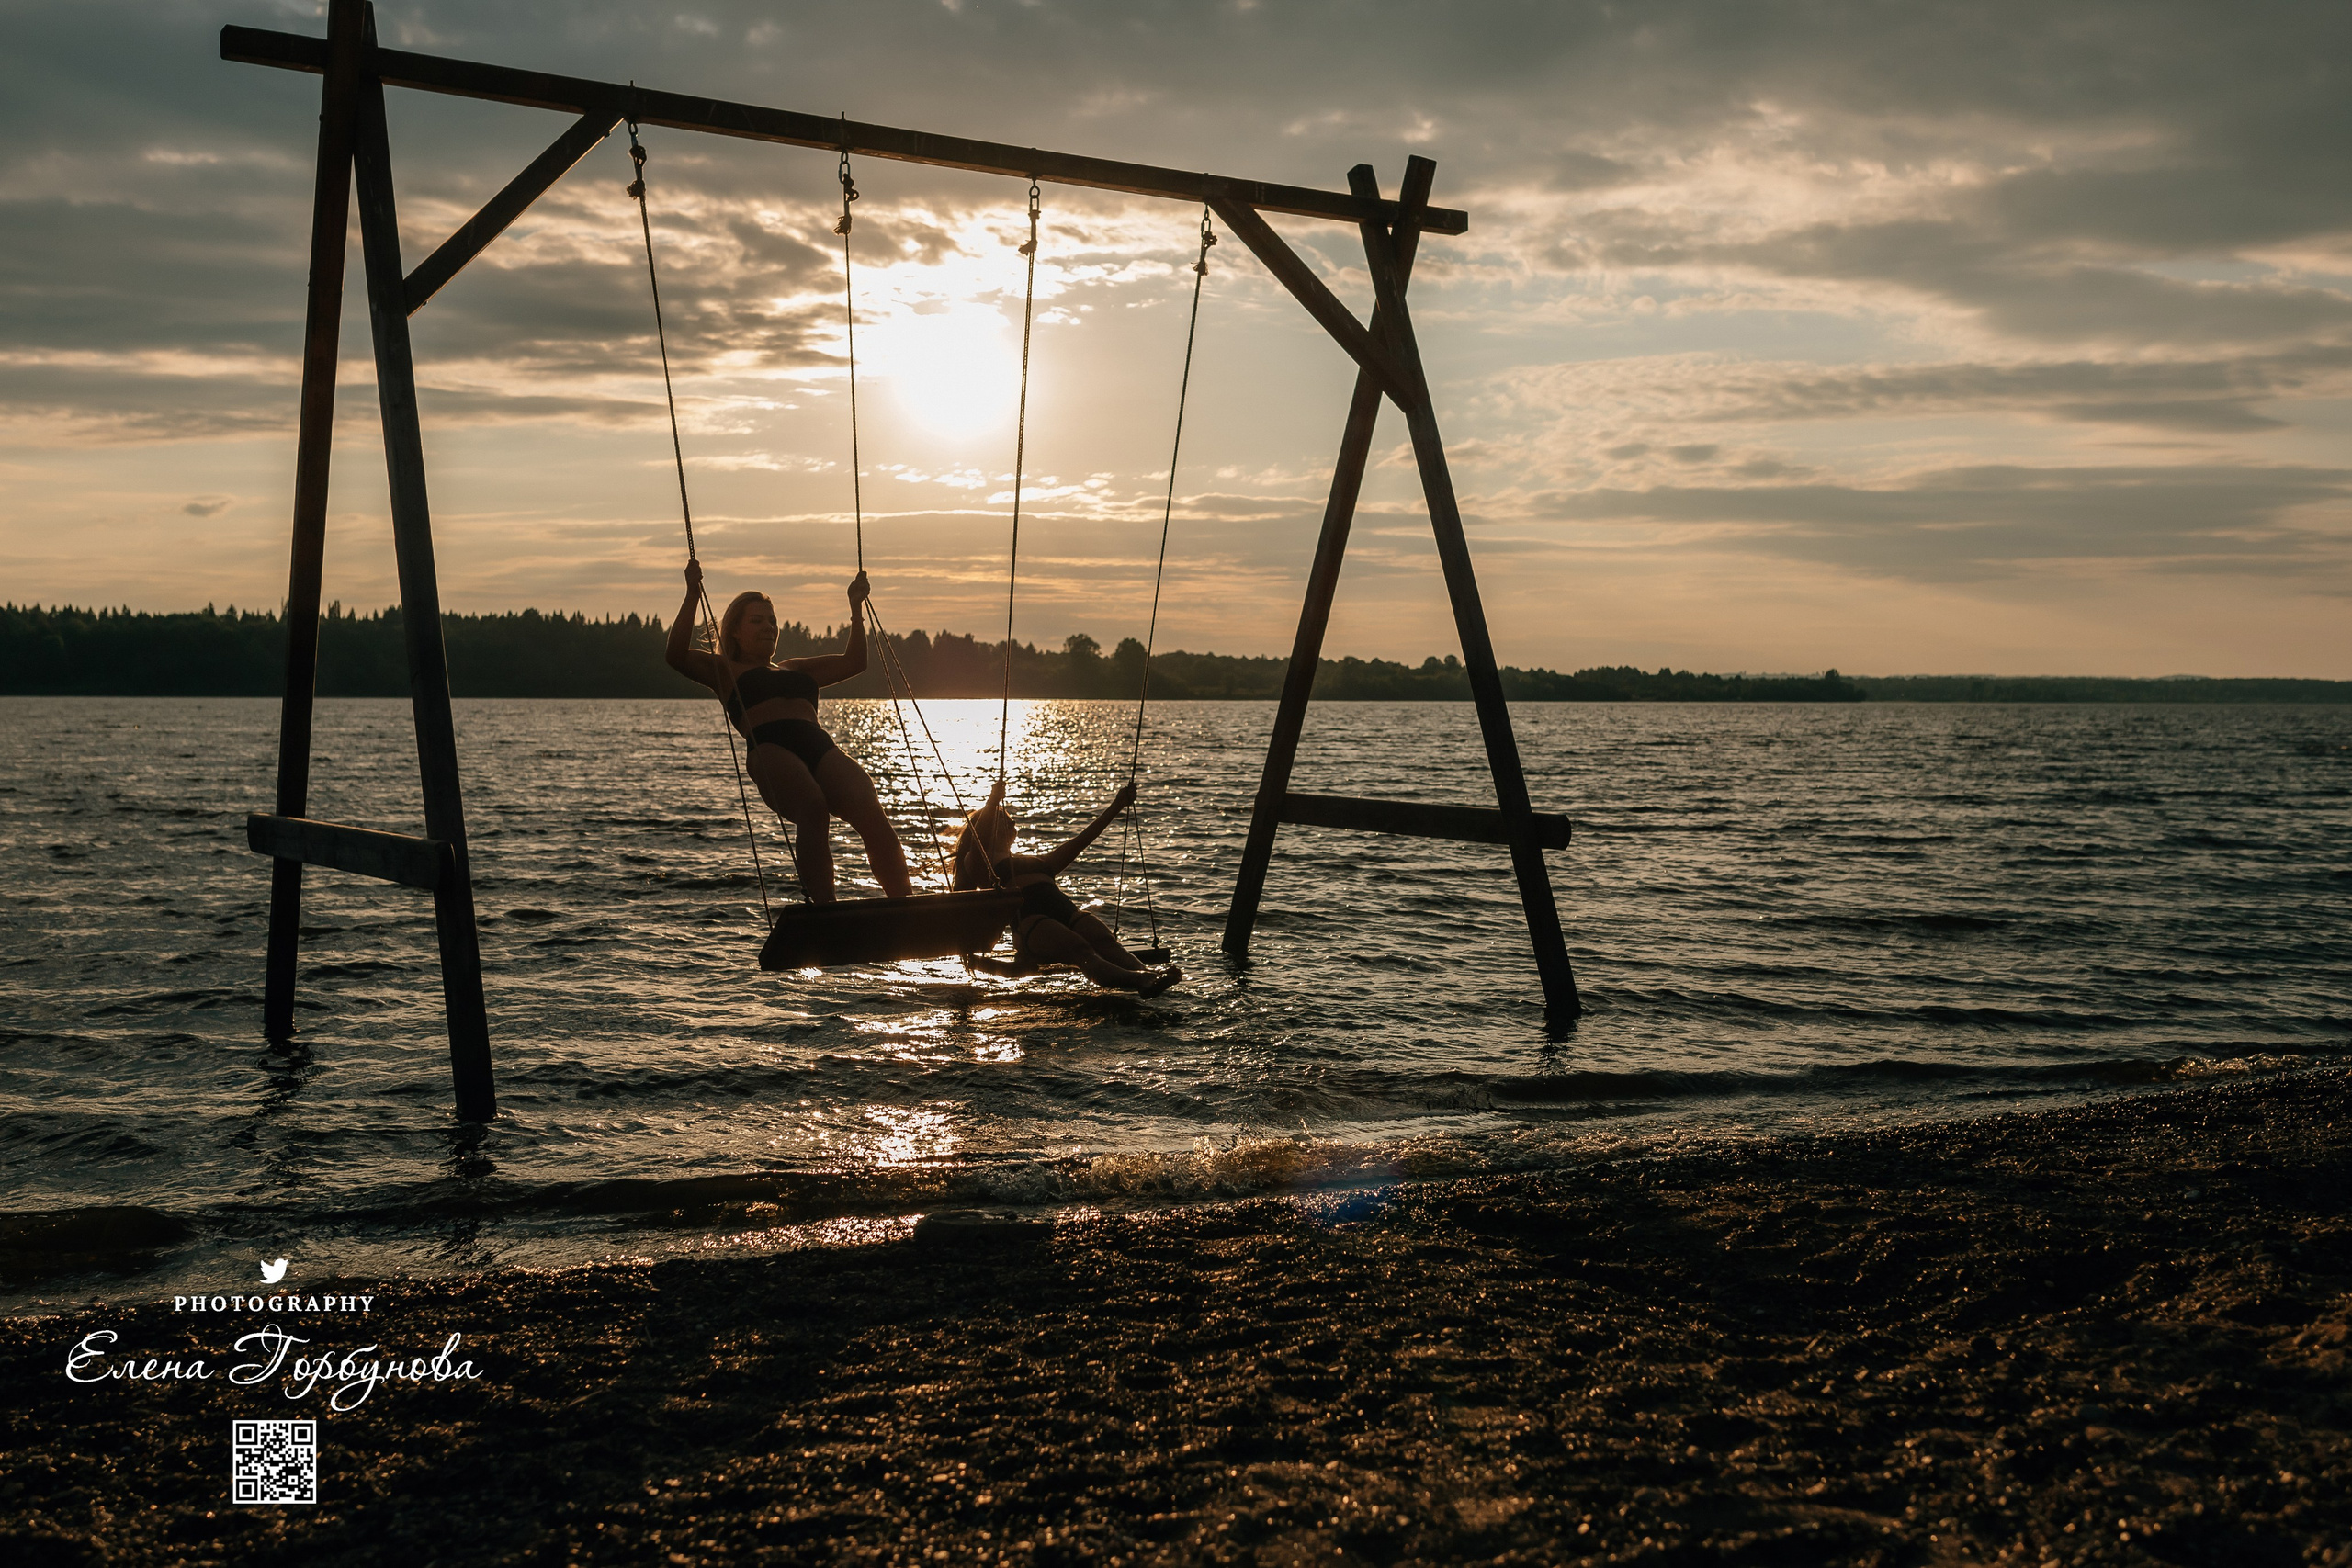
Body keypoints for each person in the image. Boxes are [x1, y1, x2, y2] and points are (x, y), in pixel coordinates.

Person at [666, 560, 911, 902]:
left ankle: (906, 902)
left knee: (869, 806)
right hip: (770, 748)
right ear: (734, 630)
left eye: (772, 620)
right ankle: (825, 912)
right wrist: (693, 593)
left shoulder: (794, 667)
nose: (769, 627)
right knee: (812, 806)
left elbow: (854, 661)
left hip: (818, 744)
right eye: (757, 620)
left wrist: (856, 608)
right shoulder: (725, 670)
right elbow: (675, 655)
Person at [952, 779, 1181, 996]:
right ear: (990, 828)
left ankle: (1150, 975)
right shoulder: (979, 861)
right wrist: (992, 801)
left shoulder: (1039, 862)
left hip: (1065, 911)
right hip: (1031, 920)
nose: (1013, 822)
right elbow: (978, 841)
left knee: (1106, 943)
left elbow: (1081, 841)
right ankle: (1140, 980)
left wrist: (1117, 805)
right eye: (1005, 819)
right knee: (1082, 951)